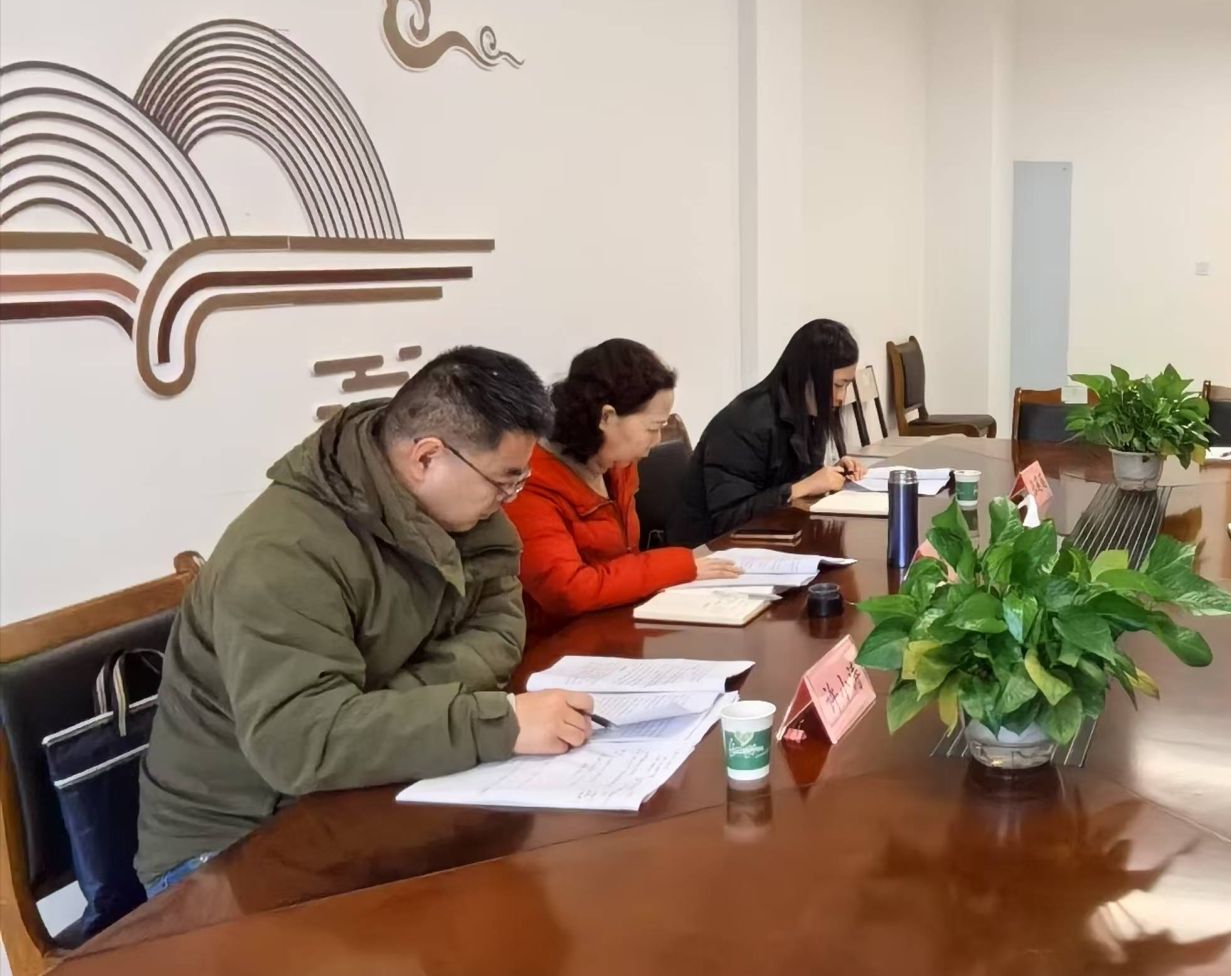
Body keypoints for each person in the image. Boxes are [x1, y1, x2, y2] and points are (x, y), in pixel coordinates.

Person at [136, 347, 600, 895]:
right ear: (426, 457)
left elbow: (500, 627)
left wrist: (384, 708)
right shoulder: (283, 553)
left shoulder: (465, 513)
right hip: (234, 843)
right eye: (503, 481)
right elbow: (300, 743)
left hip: (358, 791)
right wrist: (496, 722)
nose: (506, 500)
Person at [506, 339, 742, 635]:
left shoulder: (618, 463)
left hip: (619, 620)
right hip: (558, 642)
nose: (657, 441)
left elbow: (624, 557)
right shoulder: (529, 483)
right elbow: (569, 590)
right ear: (606, 417)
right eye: (652, 428)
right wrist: (677, 566)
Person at [676, 319, 867, 545]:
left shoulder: (804, 412)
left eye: (846, 386)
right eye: (838, 385)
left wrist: (833, 473)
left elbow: (792, 477)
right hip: (709, 548)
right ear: (807, 375)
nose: (841, 398)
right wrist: (800, 488)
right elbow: (728, 518)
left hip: (770, 536)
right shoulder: (746, 422)